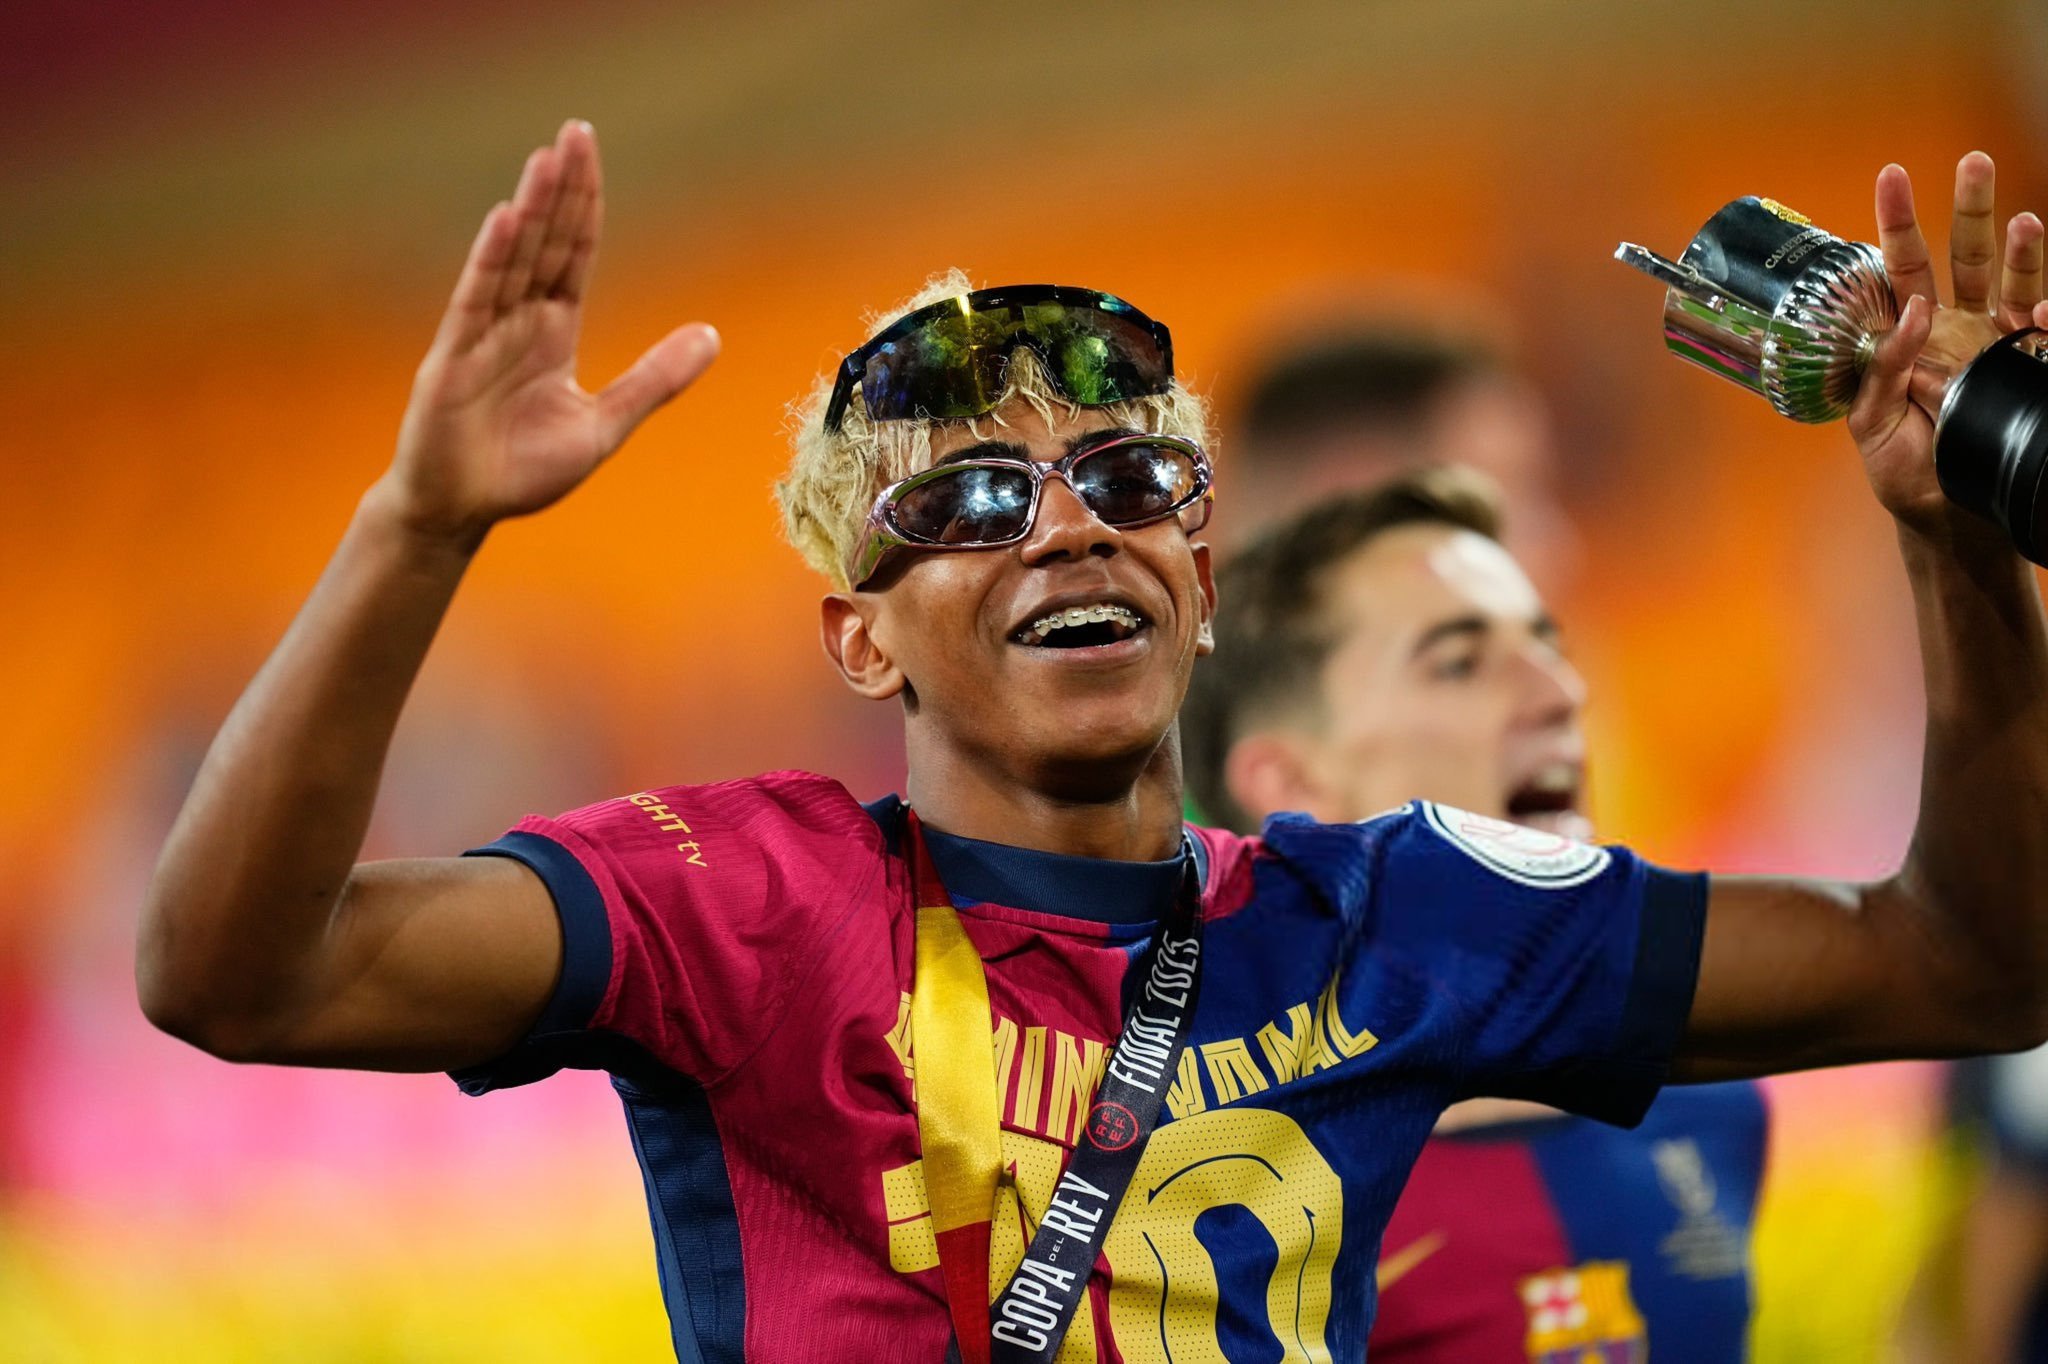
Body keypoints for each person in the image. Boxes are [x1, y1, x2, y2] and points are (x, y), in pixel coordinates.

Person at [136, 119, 2048, 1364]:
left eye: (1131, 479)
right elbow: (233, 970)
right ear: (856, 637)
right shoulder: (739, 901)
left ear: (1200, 579)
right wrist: (418, 527)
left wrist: (1951, 540)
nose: (1067, 525)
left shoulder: (1396, 917)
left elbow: (1974, 961)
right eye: (970, 499)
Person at [1180, 465, 1767, 1361]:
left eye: (1547, 644)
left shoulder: (1712, 1100)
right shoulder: (1203, 1199)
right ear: (1292, 787)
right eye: (1458, 662)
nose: (1563, 693)